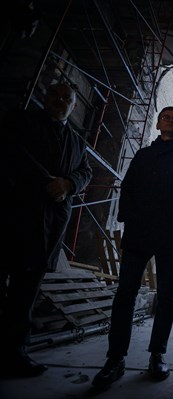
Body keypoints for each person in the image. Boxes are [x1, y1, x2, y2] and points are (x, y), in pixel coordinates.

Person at [92, 106, 173, 387]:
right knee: (125, 295)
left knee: (166, 296)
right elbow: (127, 189)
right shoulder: (143, 156)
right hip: (140, 233)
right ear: (157, 124)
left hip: (169, 234)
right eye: (166, 117)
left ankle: (158, 355)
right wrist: (131, 217)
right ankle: (115, 359)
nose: (170, 121)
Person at [2, 82, 93, 378]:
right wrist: (47, 182)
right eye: (55, 95)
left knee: (26, 289)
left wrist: (68, 184)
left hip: (50, 222)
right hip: (16, 213)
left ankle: (15, 353)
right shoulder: (22, 122)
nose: (60, 101)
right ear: (45, 97)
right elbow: (13, 154)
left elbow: (85, 171)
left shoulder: (77, 140)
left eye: (67, 98)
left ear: (74, 105)